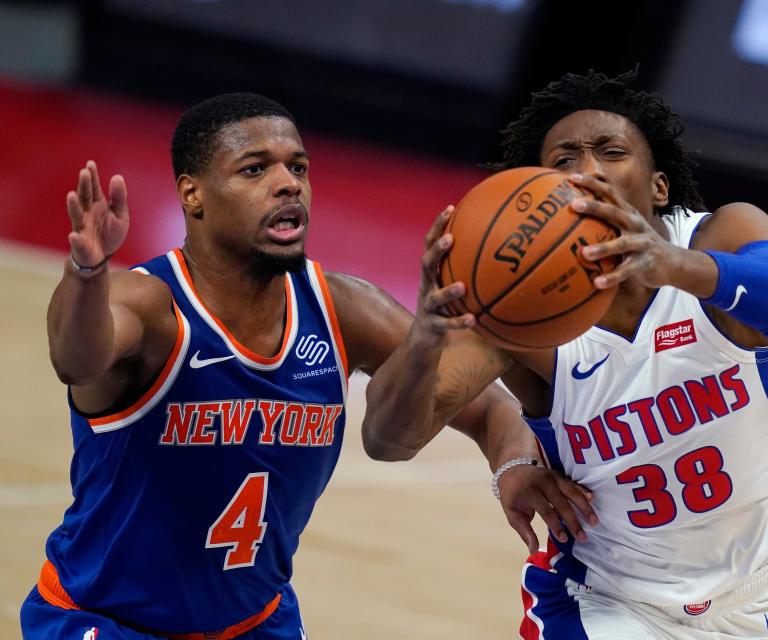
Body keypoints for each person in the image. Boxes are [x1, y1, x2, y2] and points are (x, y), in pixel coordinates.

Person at [21, 92, 592, 639]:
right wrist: (87, 275)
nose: (288, 183)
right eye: (254, 169)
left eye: (298, 166)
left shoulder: (342, 307)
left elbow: (490, 405)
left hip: (256, 623)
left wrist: (512, 461)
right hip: (105, 621)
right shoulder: (149, 306)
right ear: (192, 196)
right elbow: (77, 359)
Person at [362, 68, 768, 639]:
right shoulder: (519, 316)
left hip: (753, 599)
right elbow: (388, 440)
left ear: (658, 187)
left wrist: (676, 268)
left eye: (611, 152)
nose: (587, 170)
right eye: (563, 161)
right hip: (602, 603)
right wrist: (427, 338)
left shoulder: (721, 238)